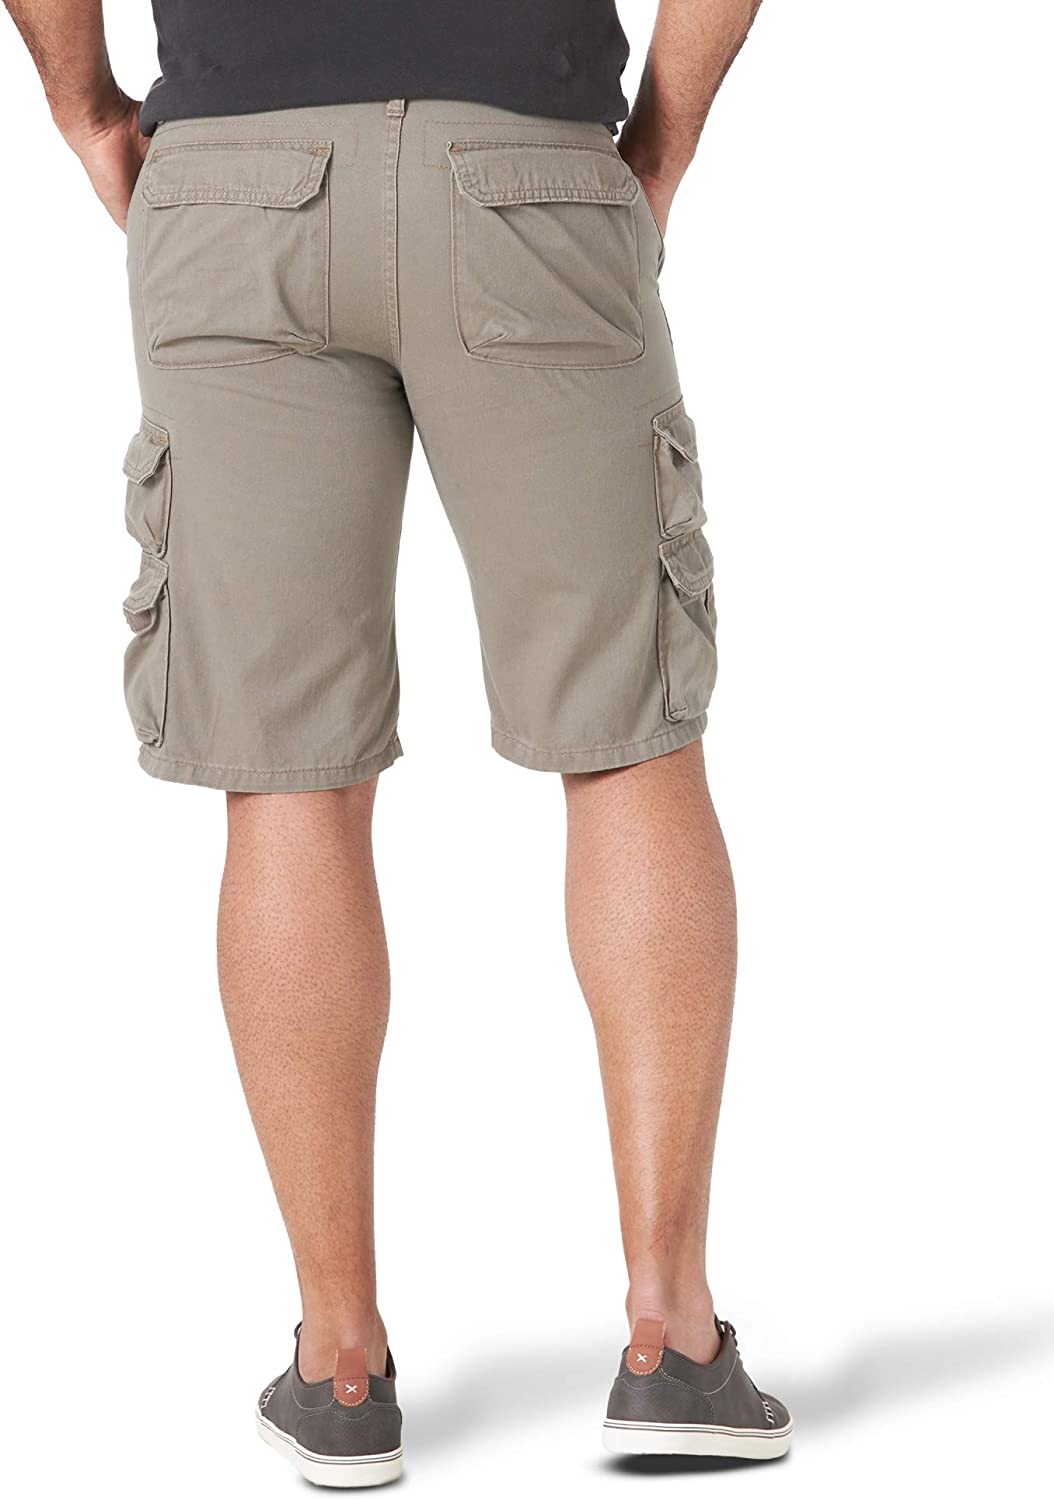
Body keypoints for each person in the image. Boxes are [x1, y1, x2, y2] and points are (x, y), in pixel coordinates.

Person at [5, 0, 791, 1483]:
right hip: (527, 170)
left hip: (233, 178)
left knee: (286, 776)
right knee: (626, 739)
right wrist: (658, 147)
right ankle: (671, 1339)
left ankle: (339, 1360)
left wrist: (86, 105)